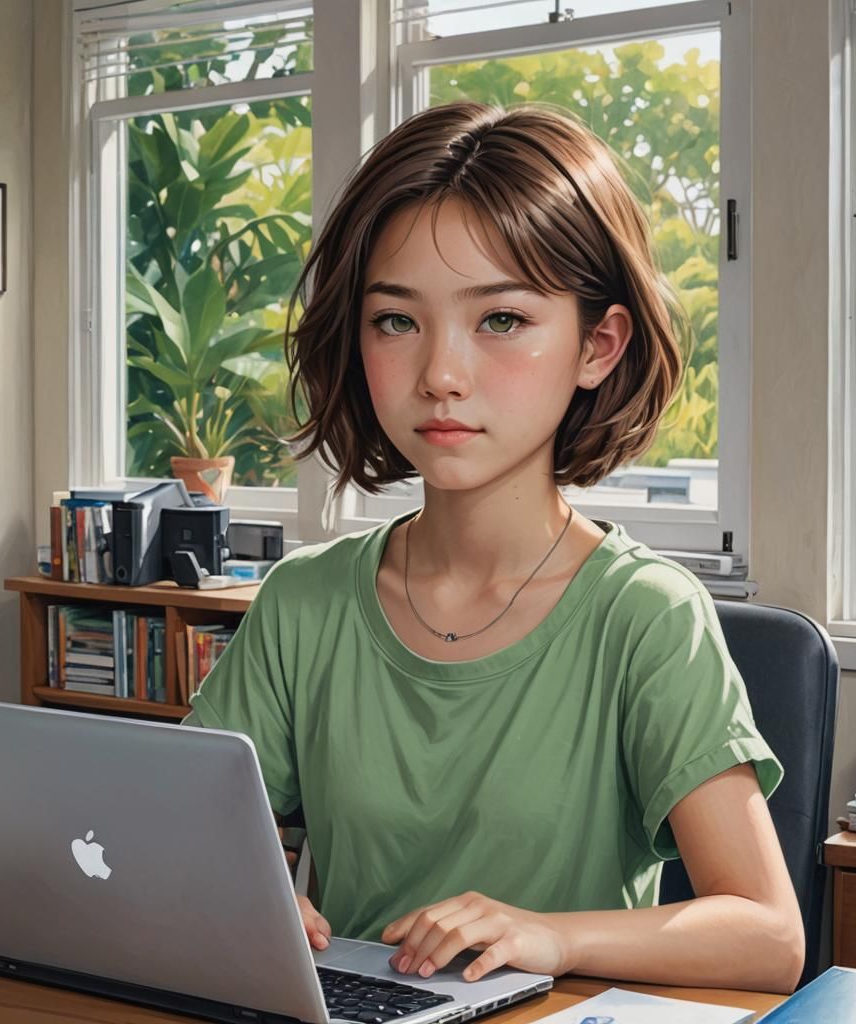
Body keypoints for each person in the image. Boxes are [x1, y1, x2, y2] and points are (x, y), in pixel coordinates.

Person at [184, 101, 805, 995]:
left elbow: (768, 936)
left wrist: (548, 936)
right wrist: (239, 895)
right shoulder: (303, 602)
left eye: (502, 320)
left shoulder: (645, 616)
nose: (440, 373)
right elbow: (176, 839)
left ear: (599, 343)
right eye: (396, 321)